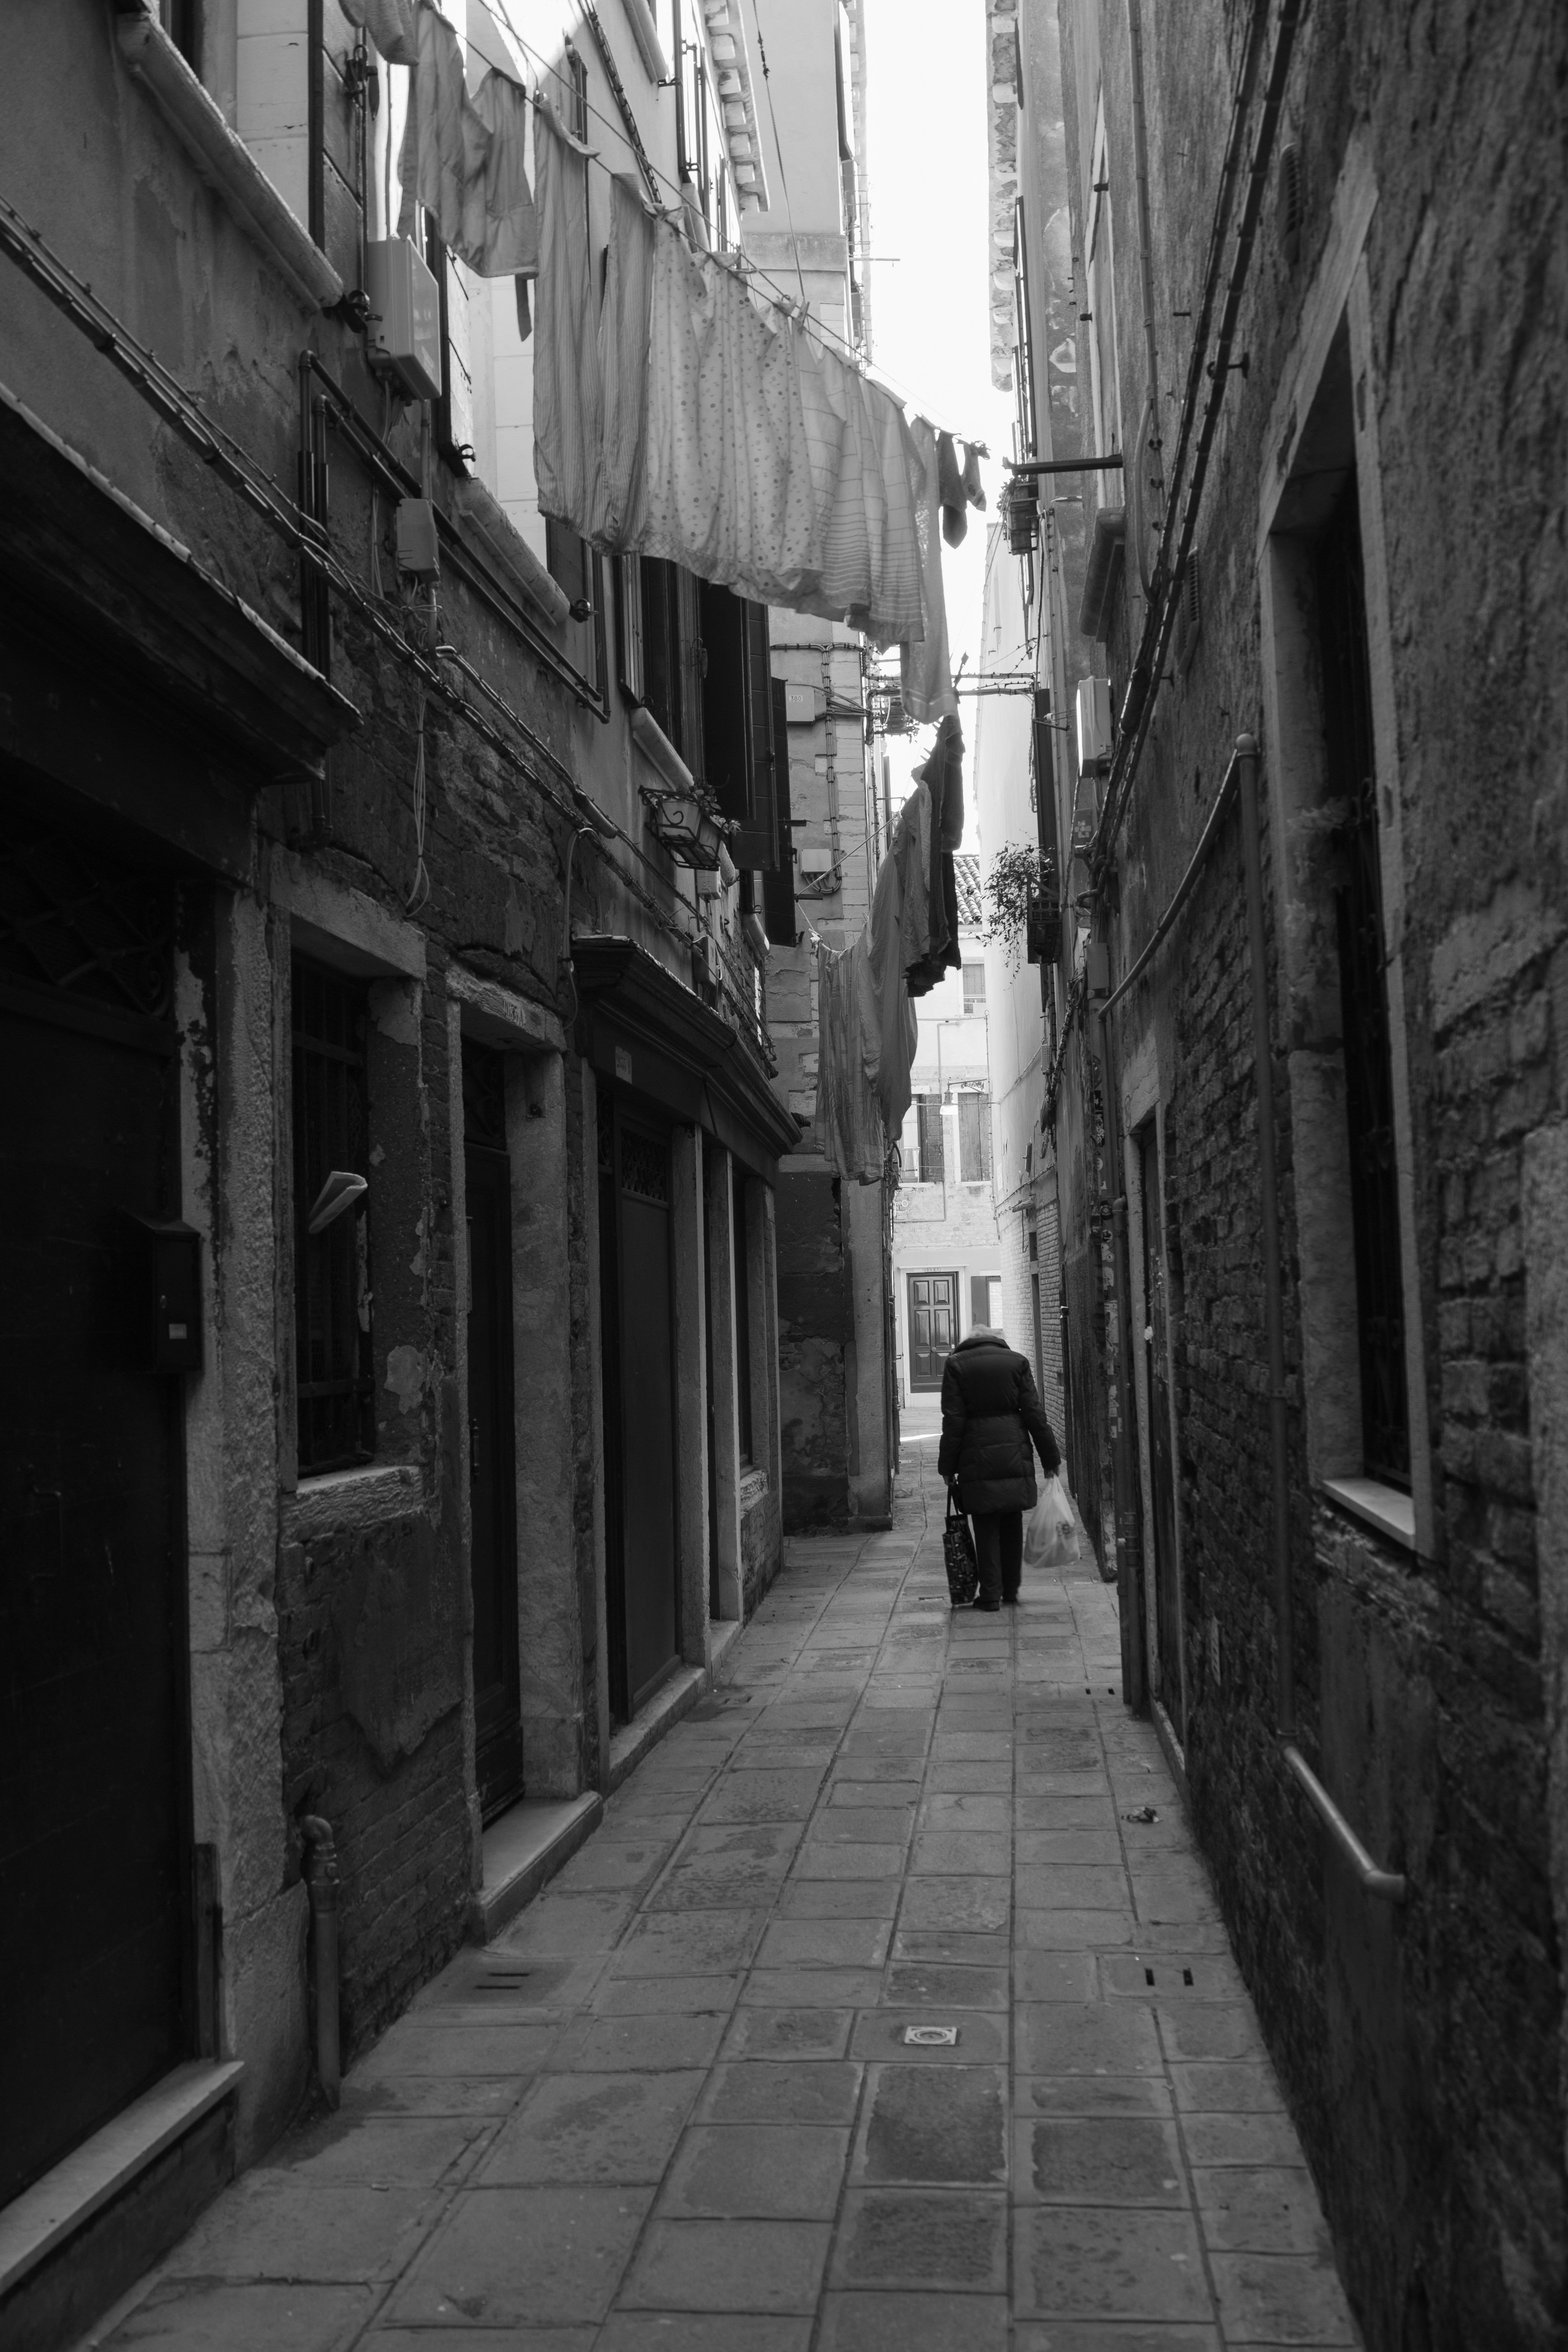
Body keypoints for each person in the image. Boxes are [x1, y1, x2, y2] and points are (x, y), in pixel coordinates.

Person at [937, 1325, 1061, 1611]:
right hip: (1013, 1448)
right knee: (1011, 1518)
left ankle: (990, 1594)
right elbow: (1034, 1413)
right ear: (996, 1340)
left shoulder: (956, 1365)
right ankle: (1010, 1589)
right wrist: (1050, 1458)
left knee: (985, 1522)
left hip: (976, 1452)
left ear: (969, 1342)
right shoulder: (1017, 1362)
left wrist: (948, 1466)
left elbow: (953, 1420)